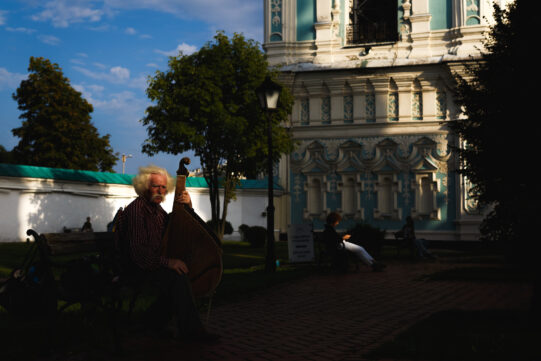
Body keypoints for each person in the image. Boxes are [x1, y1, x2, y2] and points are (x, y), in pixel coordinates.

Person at [118, 165, 219, 344]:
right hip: (136, 268)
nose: (160, 190)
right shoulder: (136, 210)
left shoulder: (158, 211)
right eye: (155, 186)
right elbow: (139, 254)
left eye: (164, 187)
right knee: (176, 276)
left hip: (152, 265)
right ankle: (191, 332)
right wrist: (168, 262)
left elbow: (178, 224)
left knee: (179, 274)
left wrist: (187, 206)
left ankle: (150, 322)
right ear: (144, 186)